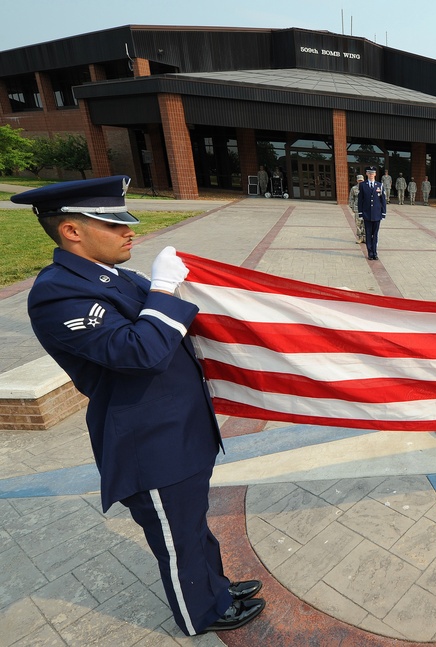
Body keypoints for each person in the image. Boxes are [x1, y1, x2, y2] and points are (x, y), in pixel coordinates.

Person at [13, 176, 265, 636]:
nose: (131, 231)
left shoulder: (112, 275)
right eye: (113, 224)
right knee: (177, 539)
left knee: (192, 524)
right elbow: (140, 351)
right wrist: (164, 288)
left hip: (179, 430)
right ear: (72, 231)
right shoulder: (57, 293)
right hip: (148, 443)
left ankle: (216, 588)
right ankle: (201, 614)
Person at [358, 167, 387, 260]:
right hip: (367, 214)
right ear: (366, 174)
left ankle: (375, 252)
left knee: (375, 234)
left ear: (375, 174)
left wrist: (383, 213)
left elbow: (383, 200)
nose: (371, 175)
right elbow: (360, 200)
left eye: (373, 173)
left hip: (377, 214)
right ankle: (370, 253)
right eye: (369, 173)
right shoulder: (362, 185)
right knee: (368, 234)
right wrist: (361, 213)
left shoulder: (380, 185)